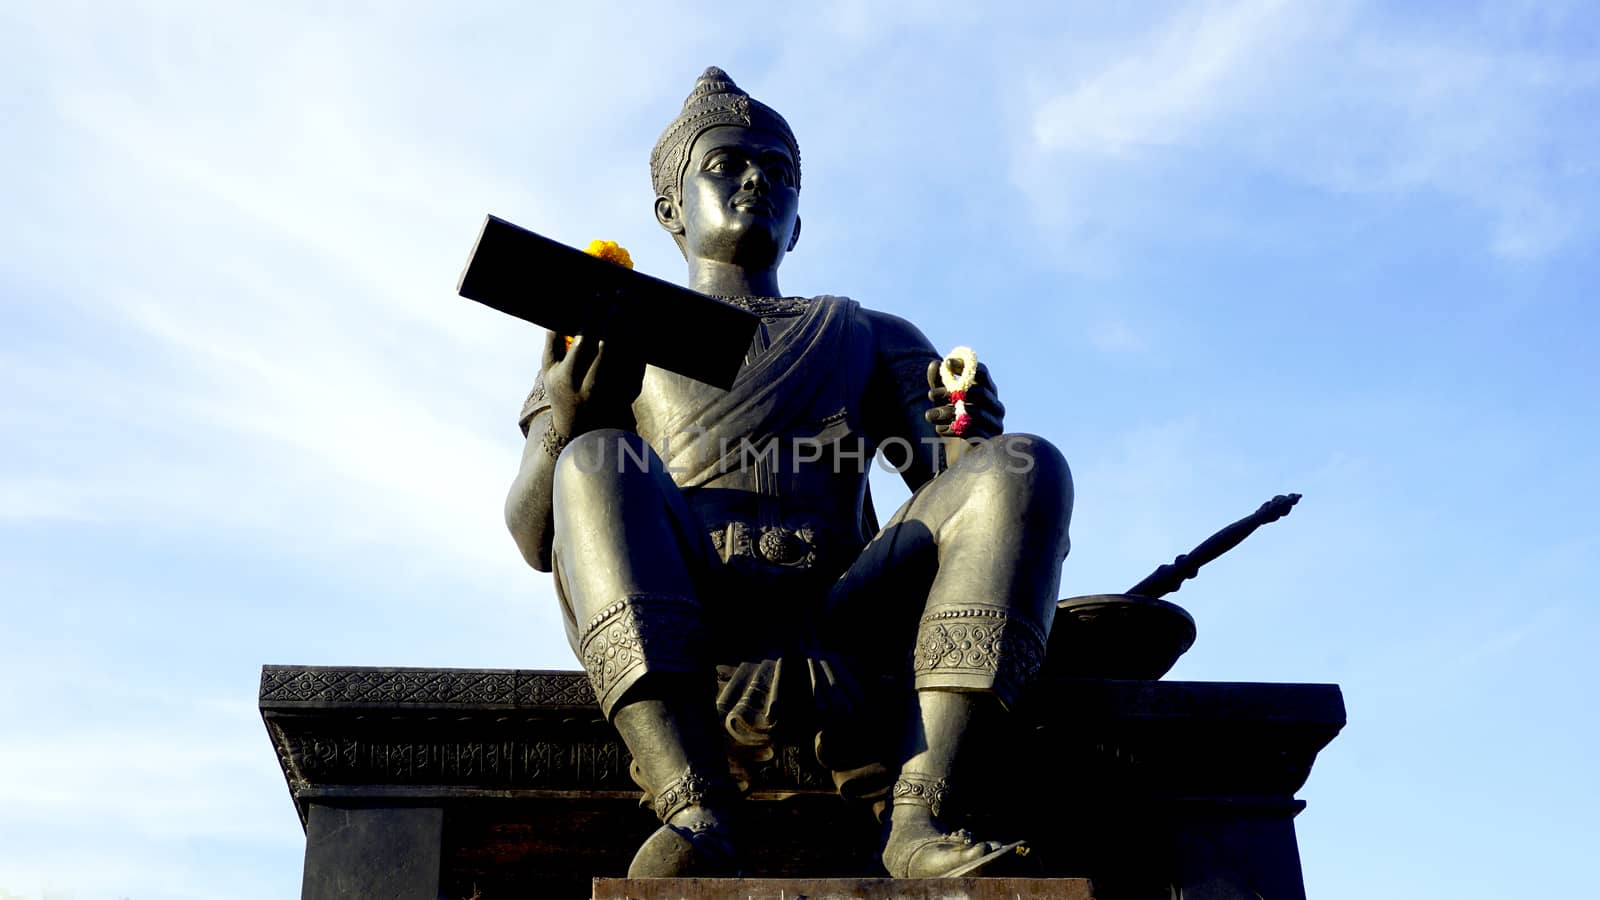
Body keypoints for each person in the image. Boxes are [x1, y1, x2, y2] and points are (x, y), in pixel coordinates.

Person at [504, 66, 1073, 879]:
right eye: (726, 164)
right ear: (670, 209)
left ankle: (923, 809)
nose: (754, 180)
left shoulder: (865, 334)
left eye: (778, 171)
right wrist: (569, 412)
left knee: (1024, 466)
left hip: (845, 606)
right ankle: (694, 801)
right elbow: (532, 534)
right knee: (597, 458)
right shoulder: (614, 330)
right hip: (697, 612)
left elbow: (956, 482)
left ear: (801, 220)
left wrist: (967, 430)